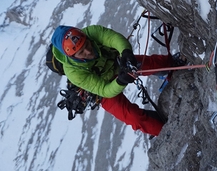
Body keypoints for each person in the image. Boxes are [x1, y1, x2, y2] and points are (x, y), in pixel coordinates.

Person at [51, 24, 184, 137]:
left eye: (87, 44)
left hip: (116, 63)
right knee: (133, 117)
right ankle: (168, 133)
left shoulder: (91, 32)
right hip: (102, 90)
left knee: (149, 63)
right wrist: (121, 81)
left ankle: (175, 64)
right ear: (73, 56)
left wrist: (126, 52)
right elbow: (104, 90)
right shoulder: (74, 72)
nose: (88, 51)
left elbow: (114, 39)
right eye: (81, 53)